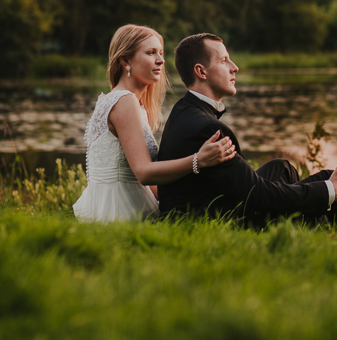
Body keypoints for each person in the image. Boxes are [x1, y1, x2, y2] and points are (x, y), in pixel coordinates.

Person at [157, 33, 337, 229]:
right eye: (224, 60)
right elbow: (258, 196)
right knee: (328, 181)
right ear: (201, 71)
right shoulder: (208, 128)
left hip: (205, 206)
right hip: (215, 220)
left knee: (281, 168)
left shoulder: (183, 109)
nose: (234, 67)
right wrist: (329, 190)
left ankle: (305, 226)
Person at [72, 24, 236, 222]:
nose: (161, 60)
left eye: (160, 52)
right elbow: (143, 173)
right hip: (119, 209)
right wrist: (198, 160)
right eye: (151, 53)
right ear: (126, 60)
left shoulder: (122, 100)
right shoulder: (125, 101)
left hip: (111, 201)